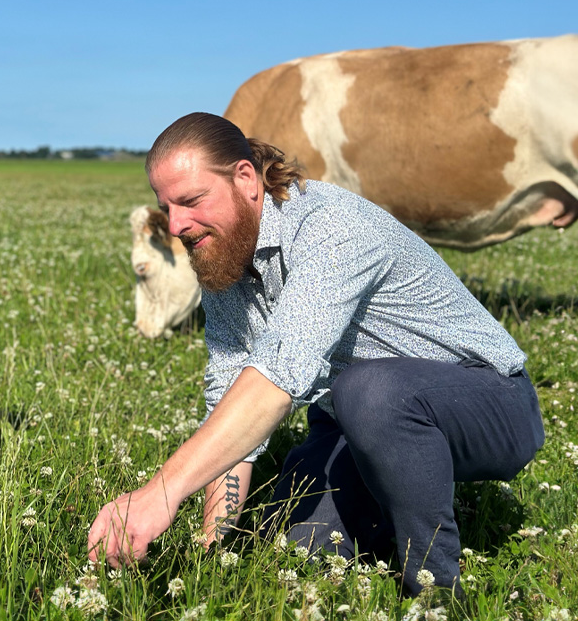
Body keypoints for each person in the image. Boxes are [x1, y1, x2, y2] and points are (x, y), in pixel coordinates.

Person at [88, 112, 544, 595]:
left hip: (489, 403)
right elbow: (231, 400)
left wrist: (162, 492)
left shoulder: (332, 227)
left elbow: (276, 382)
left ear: (245, 178)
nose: (177, 224)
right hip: (355, 421)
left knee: (370, 390)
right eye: (166, 207)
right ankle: (393, 499)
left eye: (191, 201)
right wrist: (210, 546)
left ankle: (433, 588)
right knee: (301, 546)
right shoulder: (222, 254)